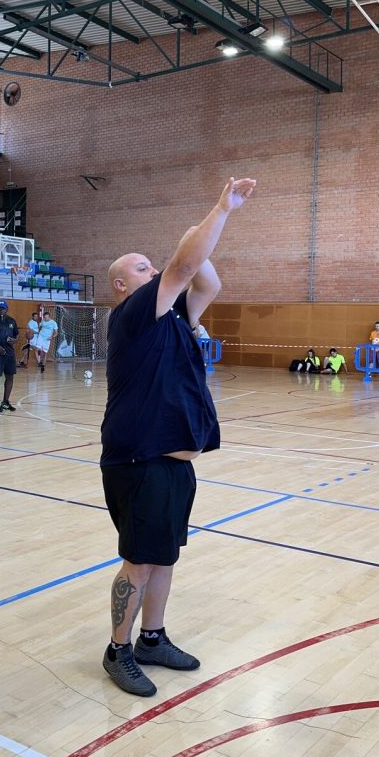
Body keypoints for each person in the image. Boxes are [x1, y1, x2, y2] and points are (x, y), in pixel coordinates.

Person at [100, 176, 256, 698]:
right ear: (122, 285)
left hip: (172, 464)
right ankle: (118, 650)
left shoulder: (175, 317)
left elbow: (205, 282)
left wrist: (196, 231)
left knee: (164, 557)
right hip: (138, 462)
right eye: (141, 267)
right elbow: (185, 267)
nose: (153, 271)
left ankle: (152, 638)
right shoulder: (133, 316)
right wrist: (221, 209)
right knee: (140, 562)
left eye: (153, 265)